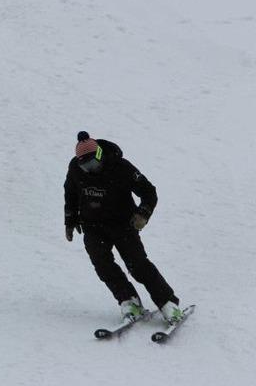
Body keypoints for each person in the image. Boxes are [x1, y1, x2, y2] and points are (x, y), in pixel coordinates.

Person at [64, 131, 183, 323]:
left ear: (101, 155)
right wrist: (70, 219)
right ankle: (128, 300)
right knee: (103, 265)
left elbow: (149, 192)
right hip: (92, 226)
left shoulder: (120, 167)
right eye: (87, 166)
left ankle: (168, 303)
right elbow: (70, 193)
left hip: (122, 224)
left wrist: (143, 214)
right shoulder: (75, 169)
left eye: (94, 163)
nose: (92, 169)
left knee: (138, 265)